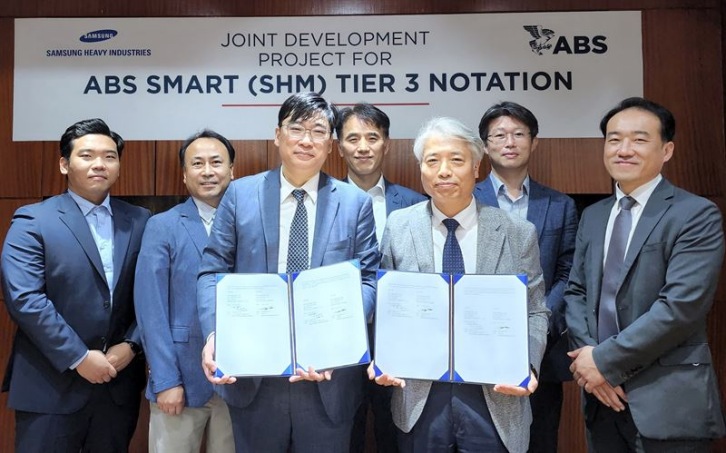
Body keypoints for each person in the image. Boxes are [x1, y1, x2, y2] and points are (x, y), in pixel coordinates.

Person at [197, 92, 380, 453]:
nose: (306, 140)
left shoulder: (354, 203)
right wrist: (215, 332)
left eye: (318, 131)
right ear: (278, 135)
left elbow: (369, 280)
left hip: (327, 377)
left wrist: (336, 338)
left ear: (331, 144)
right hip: (254, 376)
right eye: (296, 129)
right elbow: (211, 271)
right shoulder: (239, 195)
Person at [372, 117, 549, 453]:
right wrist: (385, 356)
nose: (444, 172)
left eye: (456, 160)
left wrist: (526, 366)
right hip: (420, 392)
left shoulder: (516, 231)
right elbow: (388, 306)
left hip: (495, 392)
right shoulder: (399, 226)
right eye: (432, 161)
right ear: (421, 169)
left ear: (476, 167)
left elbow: (535, 310)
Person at [565, 97, 726, 452]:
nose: (624, 150)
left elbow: (681, 308)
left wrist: (603, 362)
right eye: (614, 139)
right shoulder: (593, 215)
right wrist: (590, 362)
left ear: (667, 150)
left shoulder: (695, 214)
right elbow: (576, 292)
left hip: (667, 399)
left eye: (639, 140)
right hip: (601, 399)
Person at [0, 118, 150, 452]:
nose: (100, 164)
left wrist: (133, 344)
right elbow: (25, 299)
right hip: (50, 385)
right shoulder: (33, 220)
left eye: (110, 157)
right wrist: (79, 356)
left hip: (116, 385)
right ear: (64, 164)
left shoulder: (140, 221)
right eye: (87, 155)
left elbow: (152, 294)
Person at [473, 101, 578, 453]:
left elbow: (569, 271)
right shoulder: (466, 200)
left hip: (542, 352)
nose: (510, 142)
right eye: (499, 135)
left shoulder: (560, 204)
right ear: (485, 146)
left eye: (519, 134)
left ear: (534, 142)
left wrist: (540, 320)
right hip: (480, 346)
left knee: (541, 440)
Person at [134, 130, 236, 452]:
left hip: (240, 383)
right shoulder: (162, 226)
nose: (207, 171)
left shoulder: (248, 224)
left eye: (216, 162)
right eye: (197, 163)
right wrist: (165, 380)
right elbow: (150, 308)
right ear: (184, 174)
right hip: (181, 381)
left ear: (232, 171)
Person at [336, 102, 426, 453]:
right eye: (353, 139)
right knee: (343, 434)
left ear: (386, 144)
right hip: (341, 340)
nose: (363, 147)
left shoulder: (416, 204)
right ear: (339, 146)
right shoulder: (322, 202)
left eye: (372, 138)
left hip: (400, 340)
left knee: (397, 435)